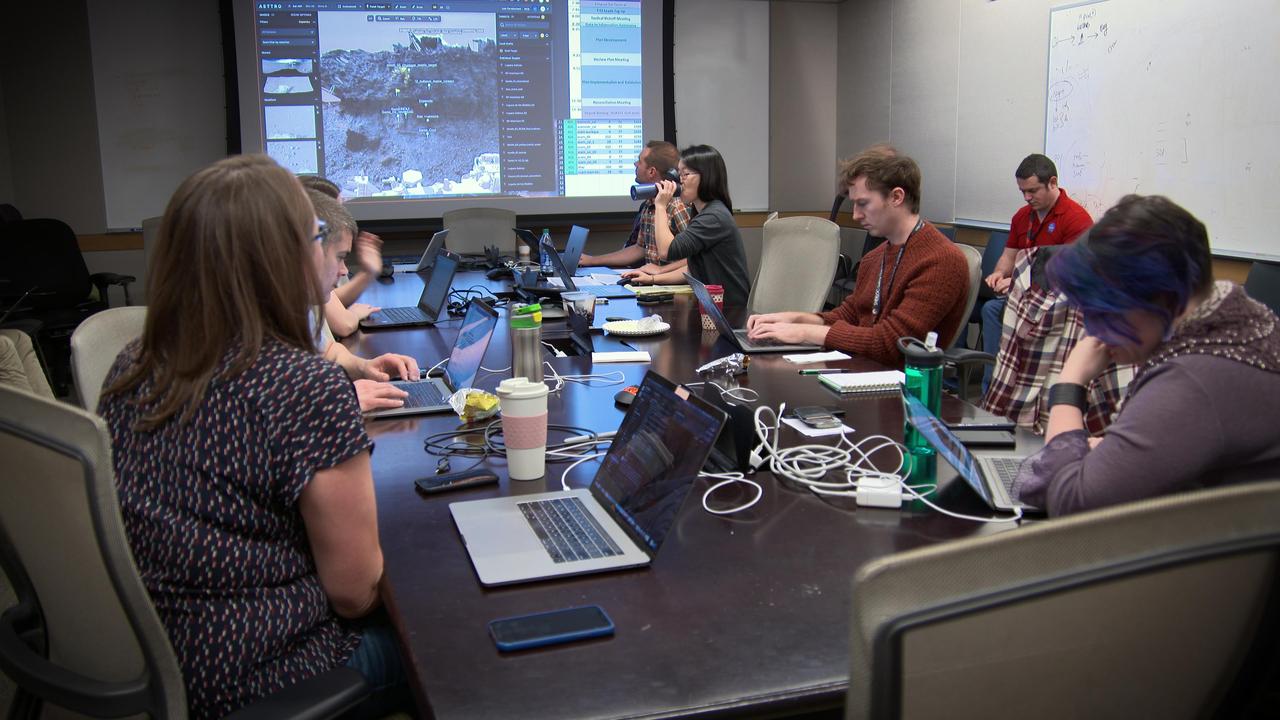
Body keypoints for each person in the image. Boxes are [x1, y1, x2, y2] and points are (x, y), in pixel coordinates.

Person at [98, 155, 408, 717]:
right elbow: (355, 594)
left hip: (166, 650)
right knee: (462, 638)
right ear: (282, 257)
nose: (336, 267)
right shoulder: (302, 384)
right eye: (319, 238)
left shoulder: (134, 362)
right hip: (272, 672)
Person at [1013, 195, 1280, 516]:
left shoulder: (1192, 381)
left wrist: (1070, 382)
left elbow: (1071, 503)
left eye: (1105, 311)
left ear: (1164, 296)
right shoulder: (1243, 324)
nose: (1094, 330)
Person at [746, 148, 967, 367]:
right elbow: (850, 314)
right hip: (862, 373)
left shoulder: (941, 261)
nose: (855, 215)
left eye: (863, 203)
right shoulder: (875, 258)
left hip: (905, 390)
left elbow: (890, 344)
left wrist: (804, 331)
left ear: (896, 197)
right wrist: (793, 319)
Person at [978, 154, 1093, 387]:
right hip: (1023, 297)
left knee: (995, 310)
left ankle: (1020, 385)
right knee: (991, 309)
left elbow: (1071, 274)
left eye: (1032, 191)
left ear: (1053, 182)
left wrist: (1017, 285)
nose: (1027, 197)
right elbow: (1009, 255)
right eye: (1022, 192)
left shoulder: (1076, 219)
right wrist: (1000, 274)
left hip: (1057, 301)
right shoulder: (1022, 217)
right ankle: (991, 385)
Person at [307, 190, 420, 412]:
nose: (344, 270)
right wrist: (340, 401)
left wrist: (365, 367)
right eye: (339, 258)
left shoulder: (301, 303)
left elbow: (328, 351)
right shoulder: (258, 317)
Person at [639, 144, 751, 303]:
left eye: (685, 174)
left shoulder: (714, 217)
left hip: (729, 310)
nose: (679, 181)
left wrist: (661, 205)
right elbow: (694, 268)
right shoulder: (702, 212)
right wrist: (653, 279)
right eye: (678, 174)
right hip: (709, 304)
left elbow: (666, 250)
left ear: (706, 177)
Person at [578, 140, 692, 280]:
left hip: (672, 285)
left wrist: (661, 270)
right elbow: (639, 249)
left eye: (639, 161)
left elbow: (696, 257)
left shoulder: (677, 205)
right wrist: (593, 261)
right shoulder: (649, 204)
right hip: (652, 283)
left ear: (652, 171)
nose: (635, 164)